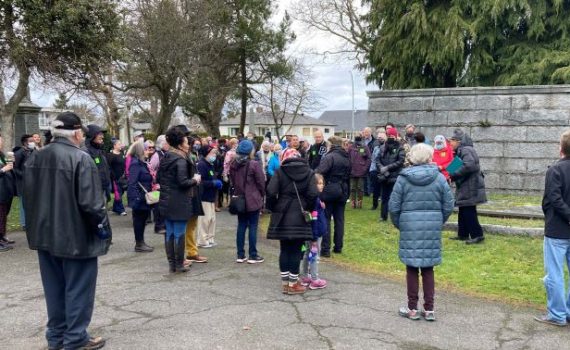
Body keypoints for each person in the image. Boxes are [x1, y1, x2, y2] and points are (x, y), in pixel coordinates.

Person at [24, 112, 110, 350]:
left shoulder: (36, 158)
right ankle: (74, 338)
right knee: (78, 290)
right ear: (77, 133)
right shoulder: (80, 159)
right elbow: (92, 205)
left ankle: (57, 337)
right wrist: (103, 231)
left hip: (45, 235)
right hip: (75, 236)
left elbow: (27, 198)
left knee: (54, 289)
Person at [389, 143, 454, 321]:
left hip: (409, 226)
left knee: (411, 267)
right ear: (429, 157)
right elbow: (448, 204)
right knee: (428, 268)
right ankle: (429, 309)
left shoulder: (403, 179)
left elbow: (393, 207)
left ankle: (412, 308)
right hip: (431, 225)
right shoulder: (439, 178)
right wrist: (439, 221)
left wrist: (400, 224)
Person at [266, 148, 318, 294]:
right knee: (296, 250)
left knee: (284, 249)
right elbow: (313, 194)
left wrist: (274, 207)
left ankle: (285, 283)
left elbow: (270, 191)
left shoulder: (280, 171)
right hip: (300, 215)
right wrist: (306, 206)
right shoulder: (309, 172)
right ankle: (293, 283)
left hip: (282, 213)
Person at [535, 129, 570, 326]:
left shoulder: (555, 170)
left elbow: (553, 199)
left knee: (555, 272)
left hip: (557, 228)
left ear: (561, 149)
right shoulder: (556, 169)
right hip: (559, 226)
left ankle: (557, 314)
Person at [158, 127, 201, 273]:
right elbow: (183, 182)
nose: (188, 144)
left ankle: (172, 265)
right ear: (180, 144)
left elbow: (159, 178)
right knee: (179, 233)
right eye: (186, 141)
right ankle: (179, 263)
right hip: (179, 202)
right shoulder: (180, 160)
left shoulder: (166, 157)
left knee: (170, 232)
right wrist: (195, 180)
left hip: (166, 201)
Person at [229, 140, 266, 263]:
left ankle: (240, 255)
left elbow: (233, 181)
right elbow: (261, 182)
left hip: (240, 198)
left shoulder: (234, 164)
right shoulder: (254, 164)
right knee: (253, 226)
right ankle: (253, 255)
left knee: (241, 225)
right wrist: (261, 194)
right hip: (253, 199)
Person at [448, 129, 486, 244]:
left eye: (452, 141)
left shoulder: (466, 150)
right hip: (466, 184)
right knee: (463, 209)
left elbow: (470, 166)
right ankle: (463, 234)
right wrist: (449, 174)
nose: (450, 143)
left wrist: (453, 175)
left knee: (468, 210)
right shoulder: (461, 150)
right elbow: (453, 167)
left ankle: (477, 235)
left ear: (458, 141)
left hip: (470, 185)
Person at [316, 136, 351, 257]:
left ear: (331, 144)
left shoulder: (330, 157)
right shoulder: (346, 156)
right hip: (343, 189)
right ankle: (338, 246)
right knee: (339, 219)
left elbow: (320, 171)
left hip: (330, 189)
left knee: (326, 218)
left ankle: (325, 249)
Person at [300, 173, 328, 290]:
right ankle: (315, 279)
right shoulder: (315, 201)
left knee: (307, 254)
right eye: (318, 183)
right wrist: (315, 238)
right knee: (314, 256)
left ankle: (305, 276)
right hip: (315, 234)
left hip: (310, 233)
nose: (321, 186)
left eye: (322, 183)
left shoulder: (314, 199)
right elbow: (314, 220)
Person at [126, 141, 155, 253]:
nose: (148, 151)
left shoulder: (142, 163)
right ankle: (139, 243)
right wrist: (136, 198)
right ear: (140, 150)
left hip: (144, 198)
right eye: (146, 149)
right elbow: (132, 183)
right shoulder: (135, 164)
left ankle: (141, 242)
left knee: (143, 220)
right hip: (139, 198)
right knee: (138, 221)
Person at [375, 127, 405, 221]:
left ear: (396, 136)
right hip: (384, 176)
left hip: (395, 175)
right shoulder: (382, 147)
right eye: (389, 135)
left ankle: (395, 217)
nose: (390, 137)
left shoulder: (400, 147)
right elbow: (377, 160)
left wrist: (388, 167)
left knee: (395, 198)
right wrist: (381, 168)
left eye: (392, 136)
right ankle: (383, 216)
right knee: (384, 197)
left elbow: (400, 161)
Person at [196, 145, 222, 248]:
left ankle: (210, 238)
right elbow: (201, 182)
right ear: (206, 153)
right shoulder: (202, 165)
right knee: (204, 220)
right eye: (212, 153)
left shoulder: (210, 164)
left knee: (212, 219)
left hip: (211, 196)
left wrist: (216, 183)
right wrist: (213, 183)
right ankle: (202, 240)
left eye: (215, 153)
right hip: (204, 197)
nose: (214, 155)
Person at [14, 134, 35, 230]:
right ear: (25, 142)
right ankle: (24, 224)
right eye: (31, 140)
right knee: (23, 204)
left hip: (32, 183)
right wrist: (24, 175)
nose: (33, 142)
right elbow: (14, 168)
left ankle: (31, 221)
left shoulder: (32, 151)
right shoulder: (19, 153)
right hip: (22, 183)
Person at [85, 125, 112, 202]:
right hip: (95, 193)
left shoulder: (99, 150)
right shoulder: (86, 152)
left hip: (103, 190)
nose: (102, 136)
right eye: (100, 134)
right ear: (92, 135)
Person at [149, 135, 168, 234]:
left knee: (164, 205)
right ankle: (158, 226)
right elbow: (150, 168)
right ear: (161, 144)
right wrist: (155, 182)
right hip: (157, 185)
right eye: (166, 143)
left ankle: (164, 225)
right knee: (158, 206)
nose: (168, 144)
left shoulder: (167, 153)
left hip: (165, 184)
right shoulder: (157, 155)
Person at [0, 134, 16, 251]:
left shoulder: (1, 155)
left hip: (5, 190)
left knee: (3, 215)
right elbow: (3, 170)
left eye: (2, 142)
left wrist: (10, 163)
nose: (1, 144)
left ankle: (2, 236)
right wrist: (2, 170)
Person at [348, 135, 372, 209]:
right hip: (352, 170)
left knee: (360, 188)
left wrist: (365, 168)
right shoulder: (351, 147)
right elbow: (348, 157)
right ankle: (353, 202)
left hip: (361, 170)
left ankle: (359, 202)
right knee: (352, 188)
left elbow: (369, 158)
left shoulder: (364, 147)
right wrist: (349, 167)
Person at [107, 139, 127, 216]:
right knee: (118, 193)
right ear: (114, 146)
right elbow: (109, 167)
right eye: (119, 144)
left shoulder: (122, 154)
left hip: (123, 178)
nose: (120, 145)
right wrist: (113, 176)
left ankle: (115, 207)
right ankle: (121, 210)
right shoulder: (110, 155)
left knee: (121, 193)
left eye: (120, 144)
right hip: (115, 178)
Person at [369, 128, 386, 210]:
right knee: (375, 189)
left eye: (381, 138)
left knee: (384, 189)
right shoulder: (376, 148)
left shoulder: (386, 148)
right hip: (375, 170)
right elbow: (373, 159)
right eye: (379, 138)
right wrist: (371, 169)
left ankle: (384, 205)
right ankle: (374, 204)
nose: (380, 139)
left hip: (383, 170)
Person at [362, 127, 375, 196]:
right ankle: (365, 192)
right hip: (363, 160)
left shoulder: (374, 141)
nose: (366, 134)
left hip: (371, 161)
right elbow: (360, 150)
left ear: (371, 132)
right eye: (364, 132)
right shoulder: (362, 141)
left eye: (367, 132)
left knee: (370, 177)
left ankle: (370, 191)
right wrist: (363, 154)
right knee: (364, 177)